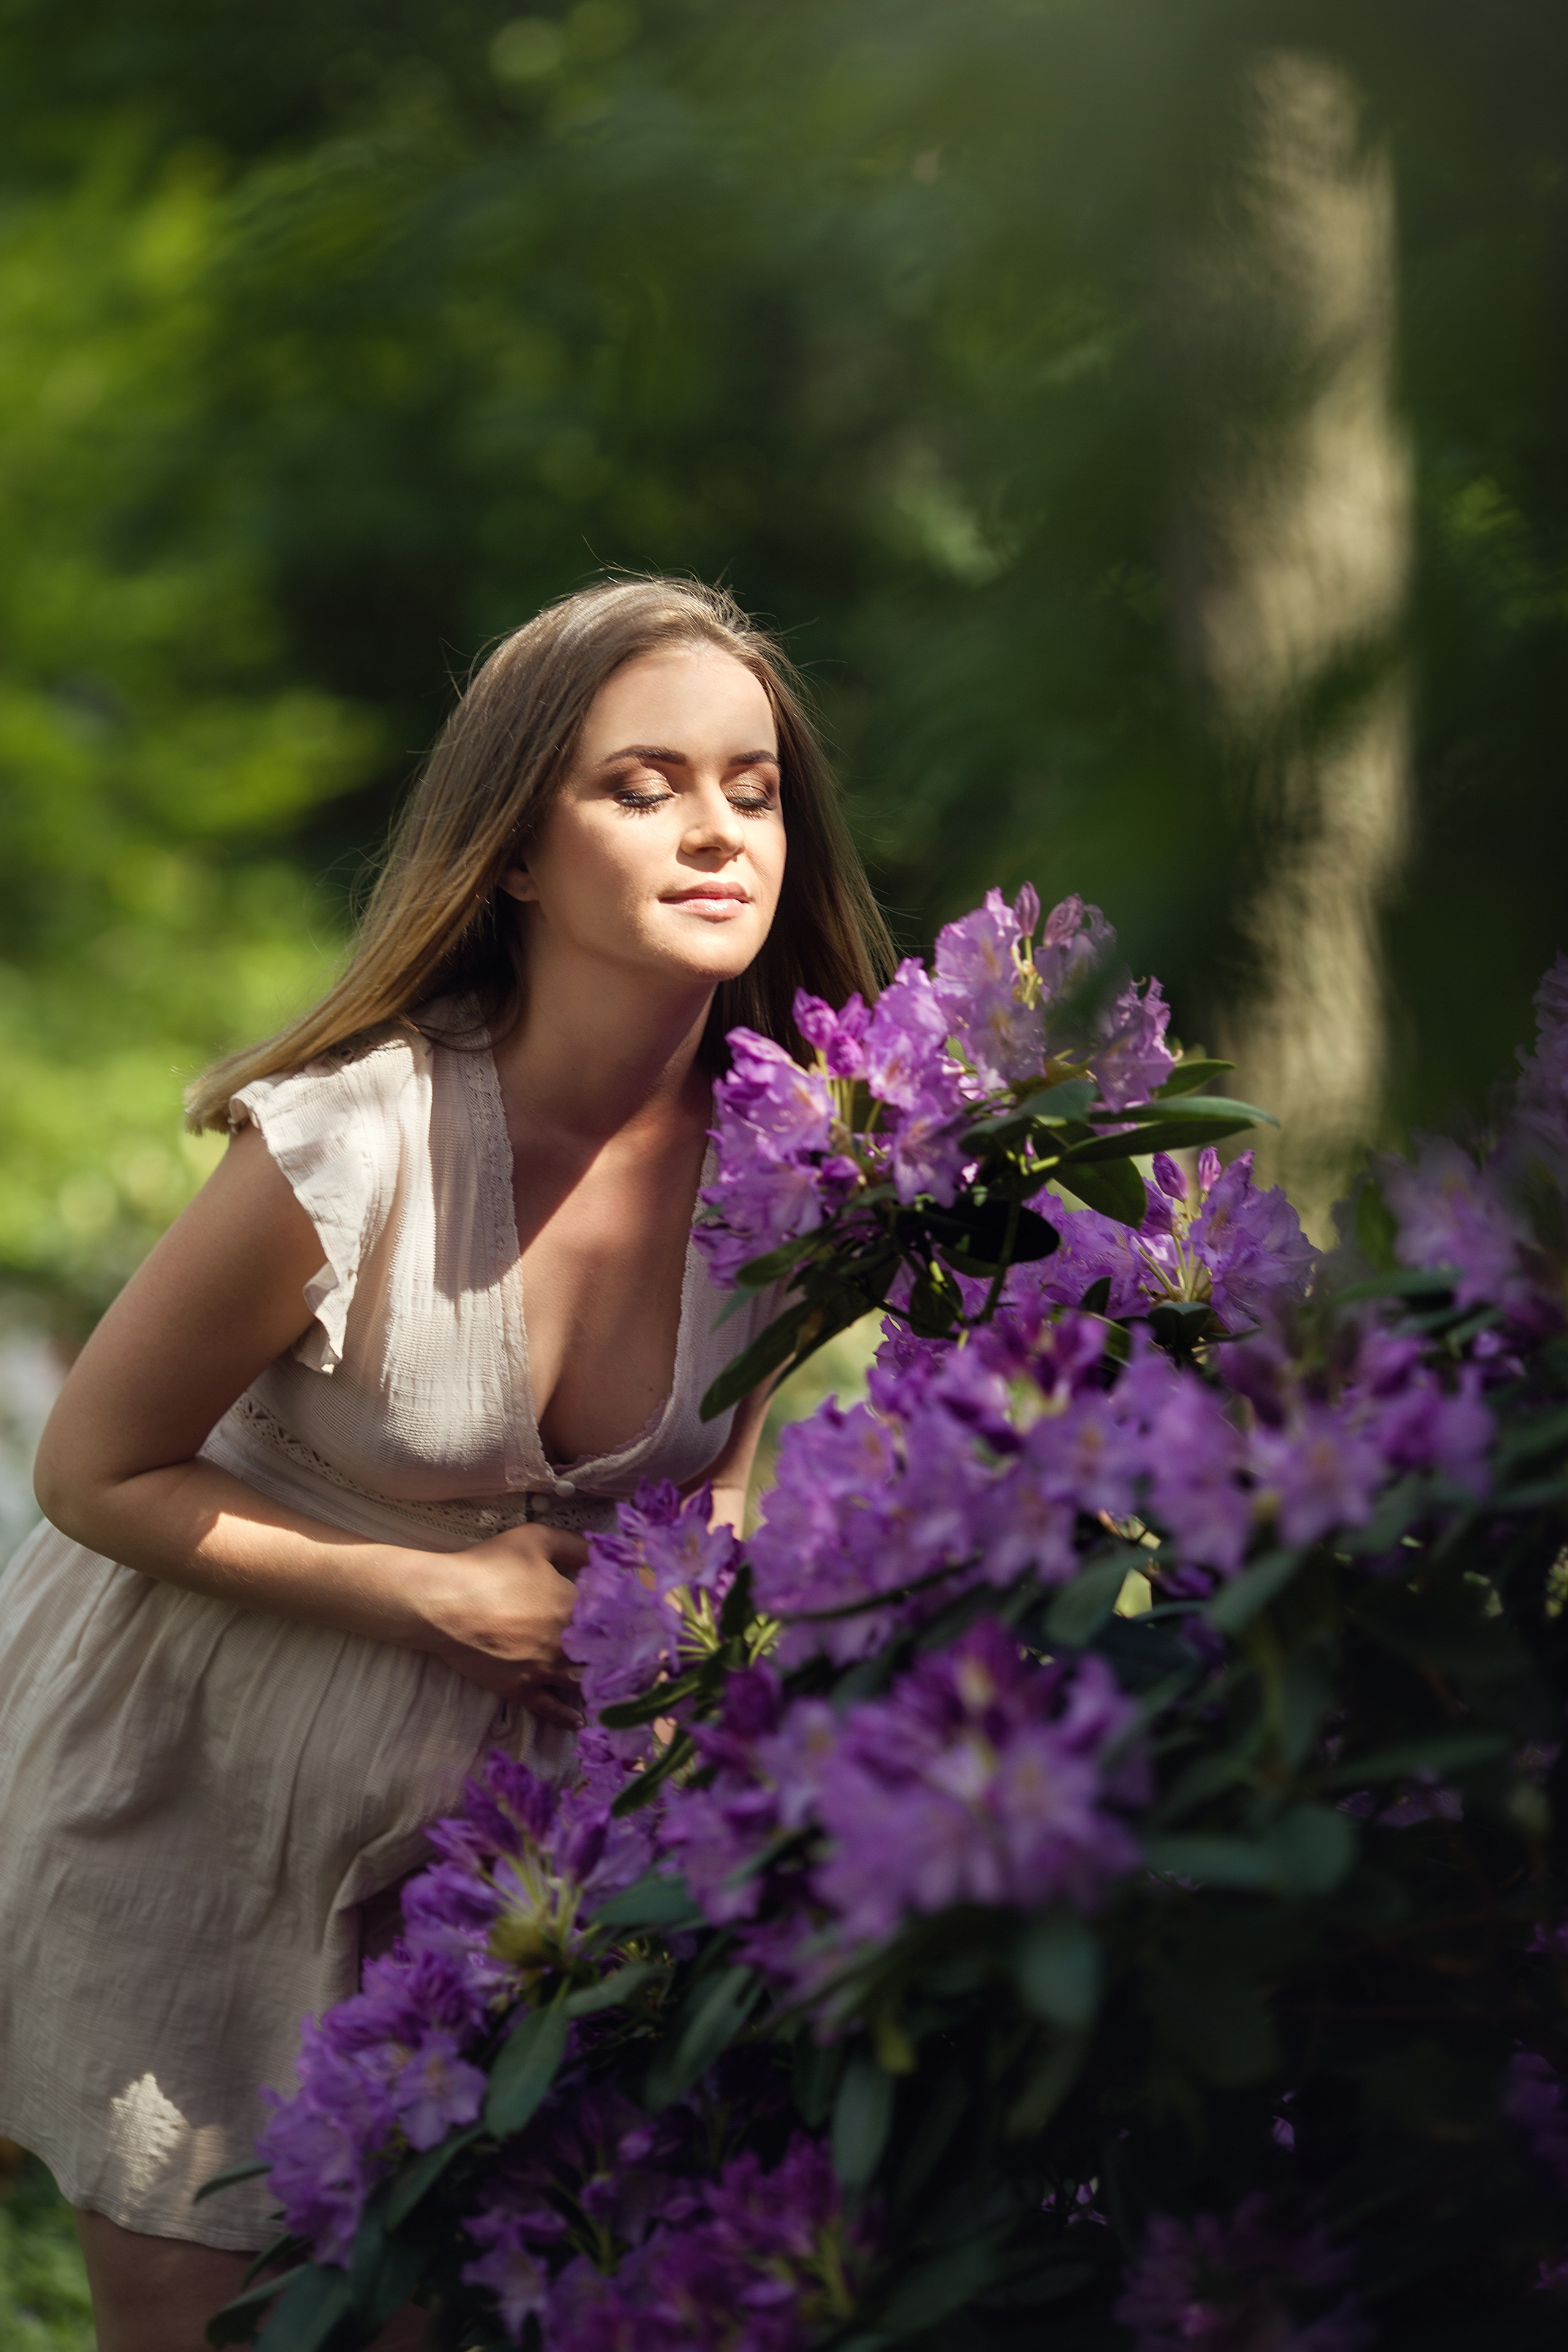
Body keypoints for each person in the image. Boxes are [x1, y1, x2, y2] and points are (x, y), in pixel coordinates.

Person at [0, 578, 892, 2351]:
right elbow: (93, 1472)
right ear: (513, 854)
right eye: (640, 787)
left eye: (754, 784)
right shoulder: (357, 1138)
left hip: (499, 1866)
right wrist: (436, 1589)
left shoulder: (809, 1162)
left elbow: (711, 1483)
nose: (719, 828)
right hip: (199, 1792)